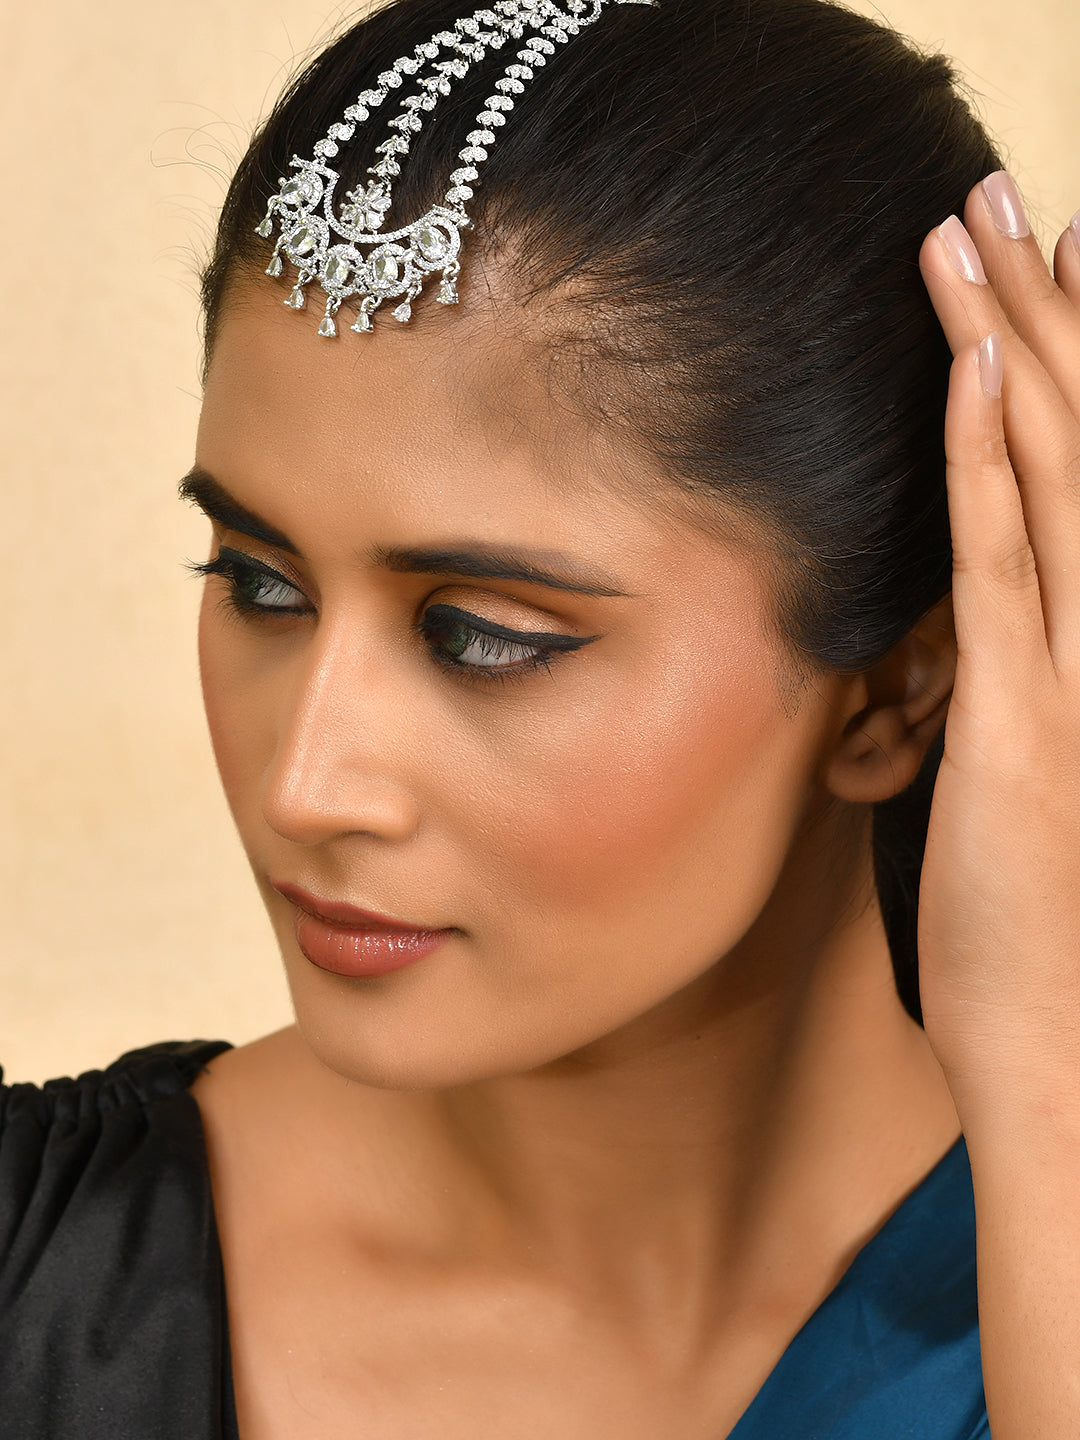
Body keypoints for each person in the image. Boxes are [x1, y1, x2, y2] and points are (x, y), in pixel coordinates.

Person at [1, 0, 1078, 1434]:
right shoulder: (34, 1277)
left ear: (894, 688)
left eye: (481, 638)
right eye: (259, 585)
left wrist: (1047, 1081)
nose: (305, 785)